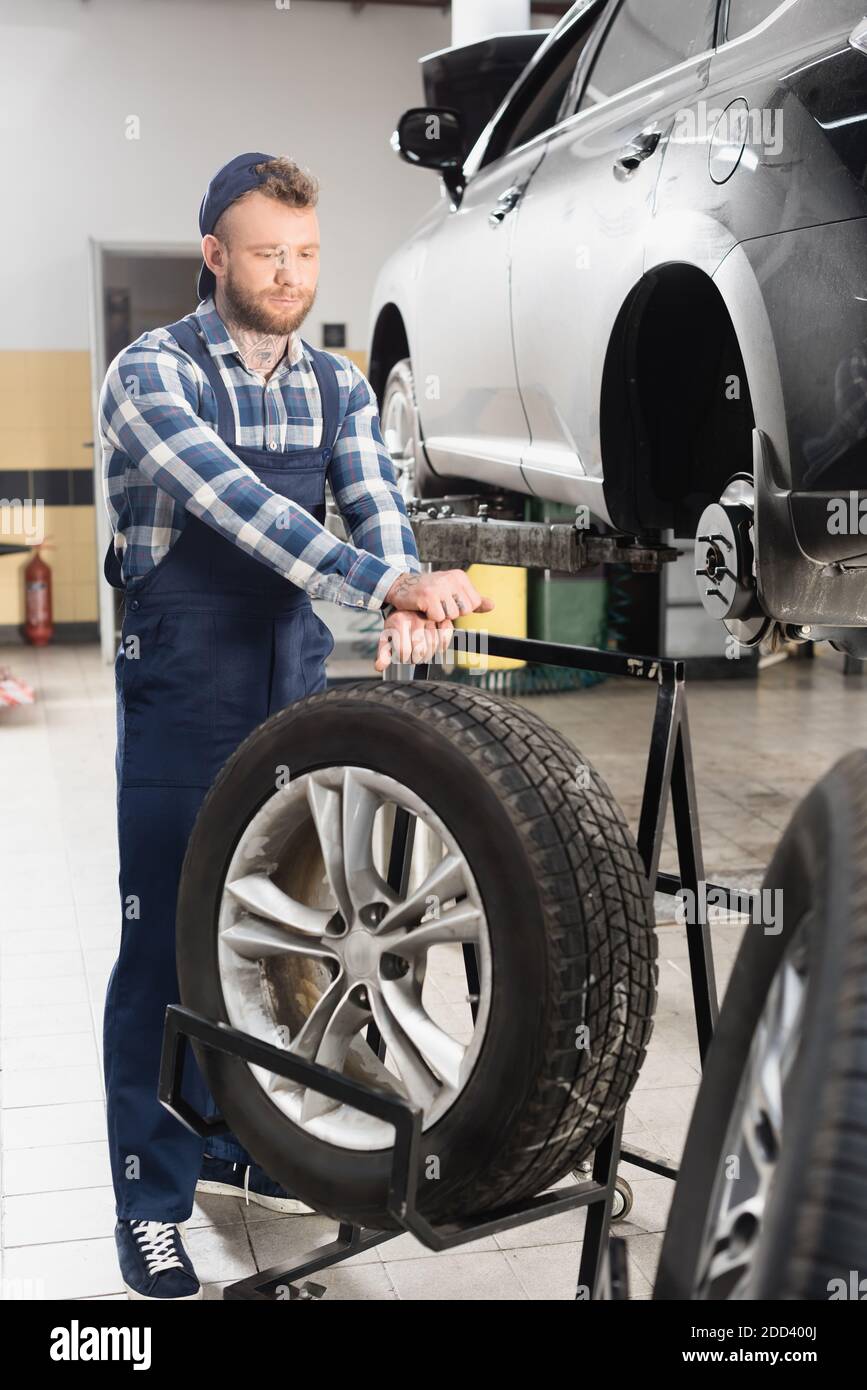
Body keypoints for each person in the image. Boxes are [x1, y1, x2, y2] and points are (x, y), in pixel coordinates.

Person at [98, 151, 493, 1299]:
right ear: (215, 255)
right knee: (166, 950)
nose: (290, 274)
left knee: (276, 939)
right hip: (183, 695)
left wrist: (410, 582)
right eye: (267, 253)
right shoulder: (150, 375)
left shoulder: (336, 386)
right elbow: (240, 503)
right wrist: (381, 582)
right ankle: (152, 1198)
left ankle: (244, 1151)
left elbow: (375, 500)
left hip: (292, 694)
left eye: (308, 253)